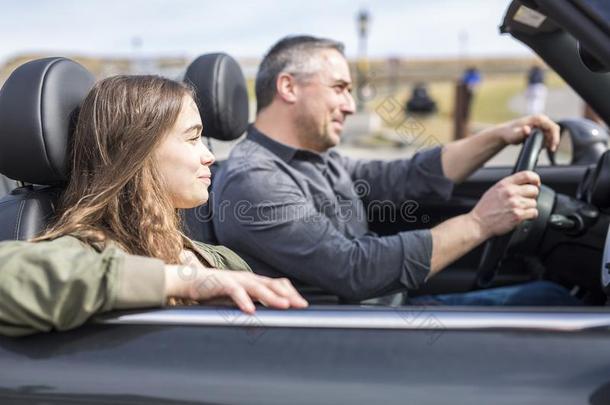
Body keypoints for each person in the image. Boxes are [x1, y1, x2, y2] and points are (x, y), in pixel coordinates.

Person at [212, 35, 580, 306]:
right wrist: (480, 223)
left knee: (550, 296)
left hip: (388, 315)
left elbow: (409, 176)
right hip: (359, 340)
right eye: (340, 88)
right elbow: (353, 269)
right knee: (557, 303)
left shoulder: (315, 159)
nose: (351, 106)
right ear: (288, 87)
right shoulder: (255, 180)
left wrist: (498, 136)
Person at [0, 75, 307, 337]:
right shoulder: (89, 253)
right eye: (192, 138)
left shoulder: (220, 260)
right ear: (136, 152)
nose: (209, 155)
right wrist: (183, 281)